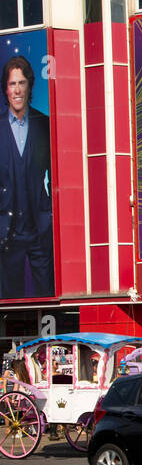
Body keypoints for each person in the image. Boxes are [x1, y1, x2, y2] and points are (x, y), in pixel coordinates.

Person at [0, 55, 54, 299]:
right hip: (7, 231)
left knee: (47, 294)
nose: (17, 89)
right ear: (6, 89)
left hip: (40, 227)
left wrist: (51, 213)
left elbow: (56, 177)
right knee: (10, 301)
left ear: (30, 85)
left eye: (22, 83)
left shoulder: (44, 124)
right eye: (12, 84)